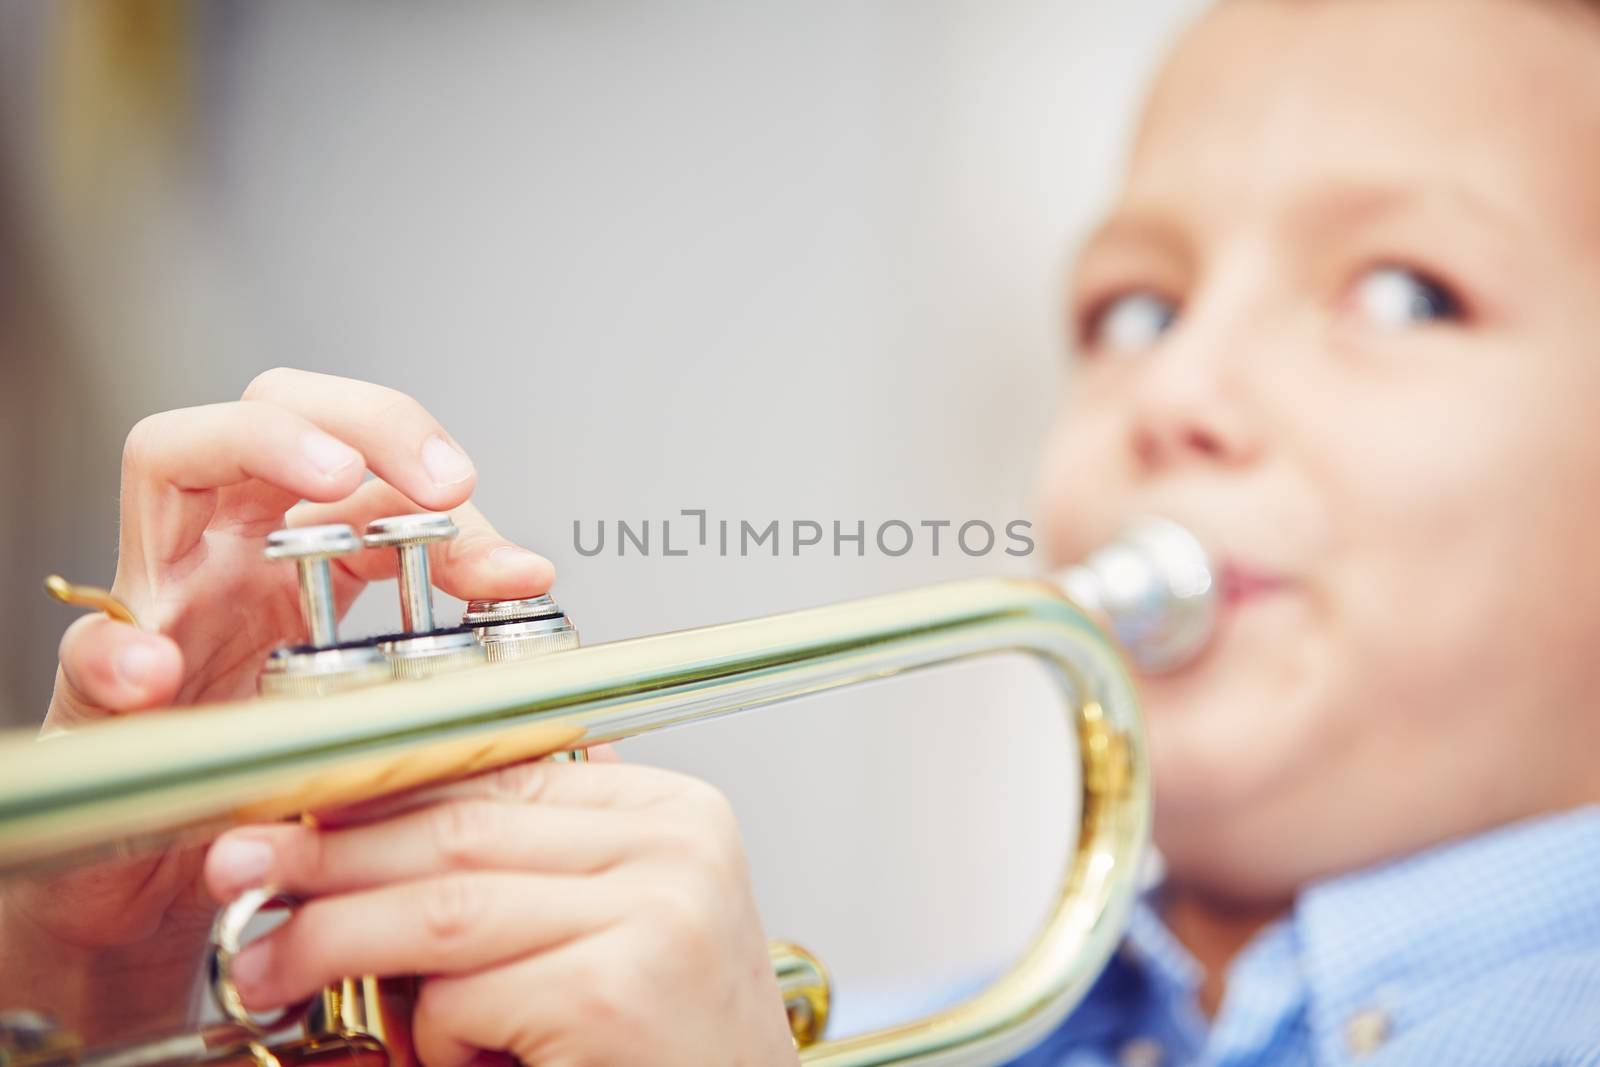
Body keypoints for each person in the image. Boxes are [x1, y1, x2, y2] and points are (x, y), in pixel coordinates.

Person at [6, 0, 1600, 1063]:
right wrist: (103, 989)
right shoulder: (869, 1028)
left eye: (1404, 293)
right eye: (1133, 304)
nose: (1179, 383)